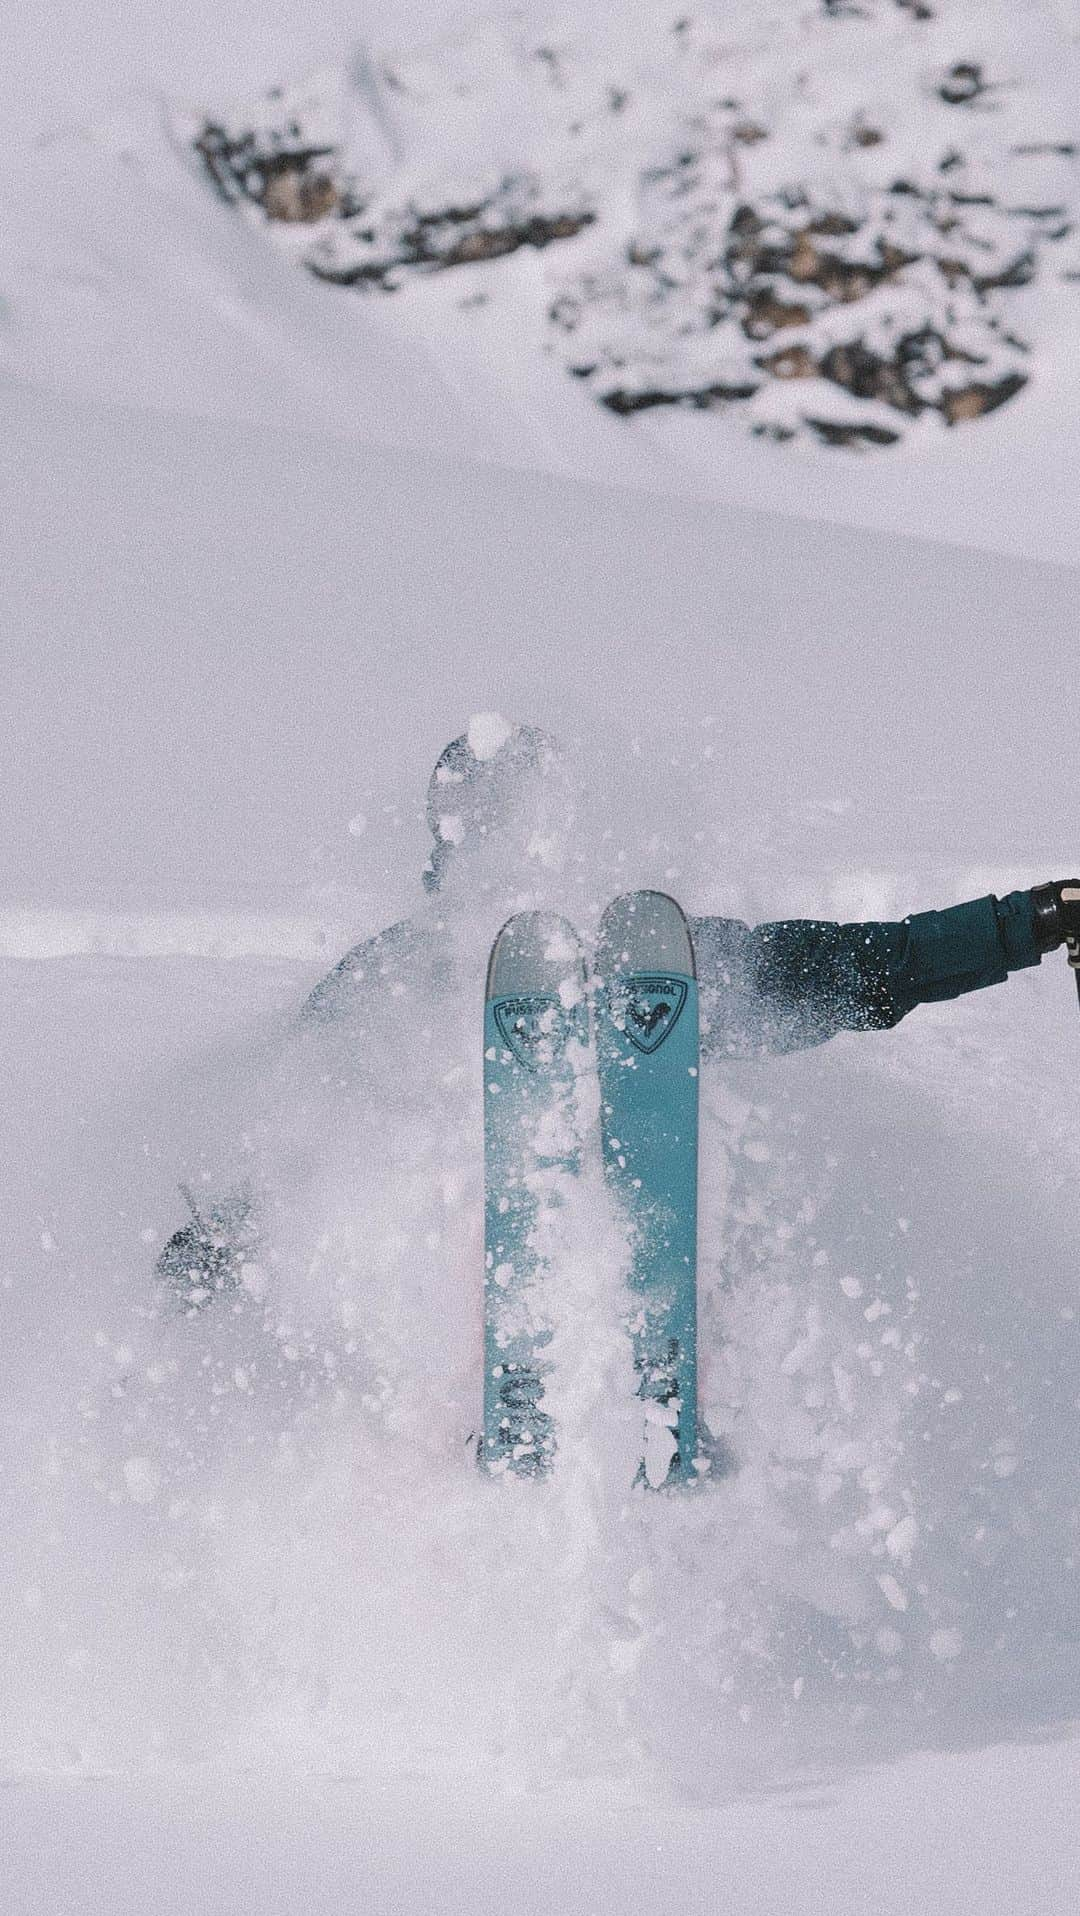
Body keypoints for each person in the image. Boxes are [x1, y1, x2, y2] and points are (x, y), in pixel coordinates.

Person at [156, 720, 1080, 1300]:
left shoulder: (650, 963)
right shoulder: (386, 984)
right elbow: (298, 1129)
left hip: (617, 1256)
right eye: (484, 832)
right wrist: (221, 1240)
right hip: (424, 1288)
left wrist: (1032, 922)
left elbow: (862, 965)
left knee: (787, 981)